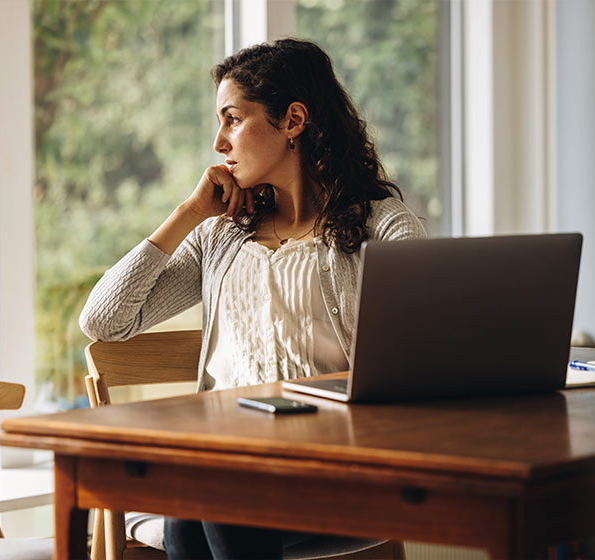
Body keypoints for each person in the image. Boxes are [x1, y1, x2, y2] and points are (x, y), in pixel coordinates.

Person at [79, 38, 426, 560]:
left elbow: (427, 347)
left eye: (233, 119)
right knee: (200, 503)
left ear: (293, 120)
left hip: (337, 468)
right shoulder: (220, 236)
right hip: (224, 465)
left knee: (203, 508)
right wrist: (188, 214)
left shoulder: (383, 228)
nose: (219, 142)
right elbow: (104, 320)